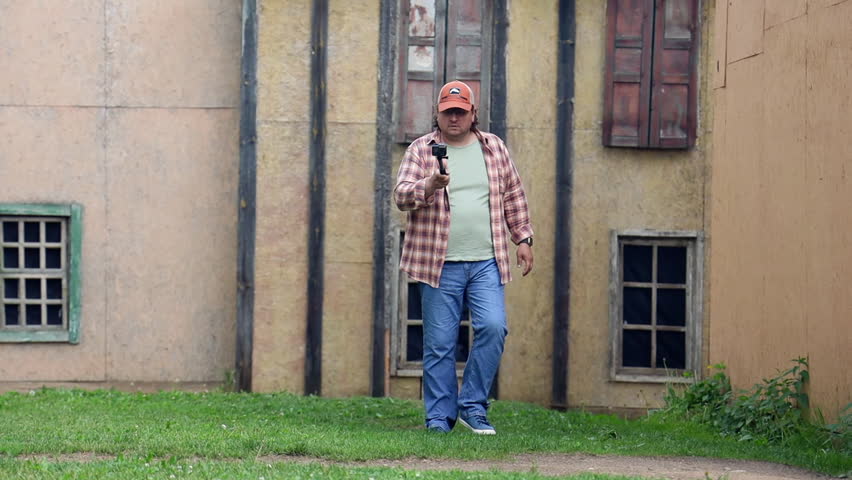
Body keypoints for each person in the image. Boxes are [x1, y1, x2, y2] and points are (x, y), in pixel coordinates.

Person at [393, 80, 534, 435]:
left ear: (473, 114)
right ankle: (439, 418)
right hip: (437, 263)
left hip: (487, 260)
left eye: (460, 111)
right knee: (439, 343)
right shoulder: (421, 149)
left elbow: (513, 194)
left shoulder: (494, 148)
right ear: (437, 115)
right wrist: (428, 185)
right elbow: (401, 195)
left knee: (493, 327)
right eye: (447, 112)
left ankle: (472, 405)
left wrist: (523, 238)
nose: (453, 118)